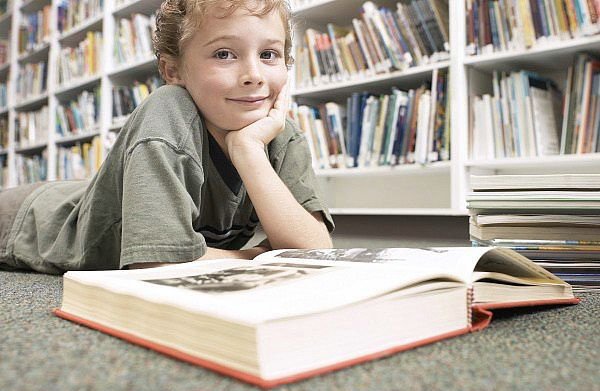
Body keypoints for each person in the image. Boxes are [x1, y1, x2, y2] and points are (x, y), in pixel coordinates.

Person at [0, 0, 334, 274]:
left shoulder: (276, 131)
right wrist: (258, 256)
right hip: (27, 219)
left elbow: (315, 252)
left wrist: (248, 150)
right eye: (224, 54)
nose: (254, 76)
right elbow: (157, 265)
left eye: (268, 54)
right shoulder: (169, 108)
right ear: (172, 70)